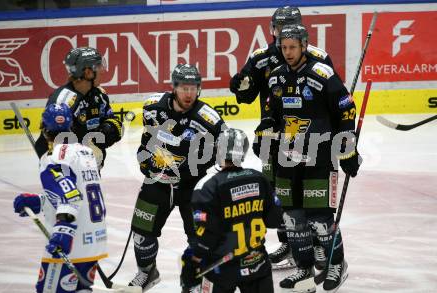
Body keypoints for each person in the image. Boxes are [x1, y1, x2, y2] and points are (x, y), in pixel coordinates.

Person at [258, 24, 362, 292]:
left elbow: (346, 111)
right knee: (292, 219)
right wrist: (265, 132)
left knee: (320, 218)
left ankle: (336, 263)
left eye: (292, 47)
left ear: (304, 46)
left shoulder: (322, 74)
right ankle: (304, 267)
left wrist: (348, 148)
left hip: (319, 155)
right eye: (284, 47)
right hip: (286, 157)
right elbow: (271, 113)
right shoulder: (276, 77)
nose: (288, 52)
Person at [230, 6, 334, 270]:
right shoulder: (261, 58)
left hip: (312, 139)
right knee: (281, 193)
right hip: (275, 136)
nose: (280, 33)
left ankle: (320, 245)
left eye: (286, 27)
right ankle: (291, 242)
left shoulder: (318, 57)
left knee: (314, 194)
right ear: (272, 29)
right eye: (277, 27)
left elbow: (334, 98)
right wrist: (240, 86)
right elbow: (246, 95)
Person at [129, 64, 227, 290]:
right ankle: (147, 272)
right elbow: (146, 141)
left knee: (200, 238)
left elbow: (224, 155)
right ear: (174, 87)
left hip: (192, 187)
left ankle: (195, 279)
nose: (189, 93)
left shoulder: (208, 119)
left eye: (194, 88)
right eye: (184, 88)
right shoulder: (153, 107)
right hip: (157, 182)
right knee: (142, 233)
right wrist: (145, 163)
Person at [13, 103, 108, 292]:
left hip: (72, 243)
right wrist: (40, 202)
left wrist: (64, 232)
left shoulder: (53, 158)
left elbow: (71, 197)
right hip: (94, 240)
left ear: (45, 131)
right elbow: (75, 191)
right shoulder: (85, 152)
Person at [180, 128, 282, 293]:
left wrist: (192, 263)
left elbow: (206, 237)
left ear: (218, 150)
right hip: (257, 264)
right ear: (243, 152)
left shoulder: (208, 186)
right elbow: (275, 220)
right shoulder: (259, 178)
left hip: (221, 269)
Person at [34, 47, 123, 169]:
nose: (102, 70)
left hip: (90, 172)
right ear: (88, 72)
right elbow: (49, 143)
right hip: (66, 174)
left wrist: (107, 131)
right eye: (98, 66)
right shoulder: (63, 101)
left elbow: (115, 123)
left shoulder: (99, 95)